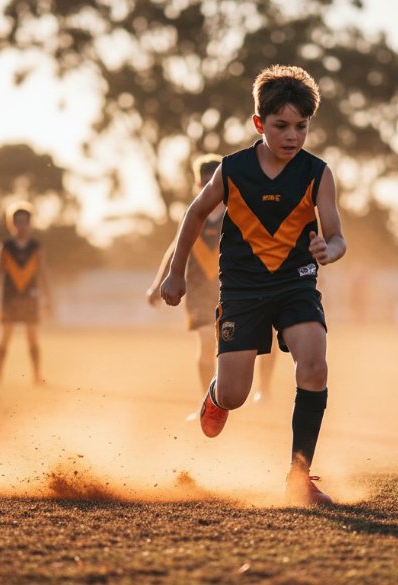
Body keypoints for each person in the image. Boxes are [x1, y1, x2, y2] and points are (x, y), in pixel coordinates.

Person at [160, 65, 346, 506]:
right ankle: (215, 395)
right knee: (235, 395)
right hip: (242, 293)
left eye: (301, 127)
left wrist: (329, 249)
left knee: (315, 365)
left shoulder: (318, 173)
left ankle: (299, 477)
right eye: (281, 126)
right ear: (259, 124)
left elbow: (337, 235)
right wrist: (175, 272)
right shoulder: (232, 170)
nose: (292, 136)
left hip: (296, 285)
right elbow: (194, 214)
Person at [147, 154, 277, 403]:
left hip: (235, 290)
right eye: (205, 181)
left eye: (214, 180)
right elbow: (175, 249)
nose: (210, 185)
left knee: (262, 338)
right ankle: (209, 402)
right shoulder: (192, 215)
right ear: (198, 186)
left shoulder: (240, 212)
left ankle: (265, 390)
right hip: (198, 291)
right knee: (208, 343)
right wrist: (157, 284)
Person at [0, 202, 52, 388]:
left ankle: (37, 377)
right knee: (5, 336)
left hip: (30, 296)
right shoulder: (5, 246)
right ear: (11, 224)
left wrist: (48, 299)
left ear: (30, 223)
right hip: (9, 296)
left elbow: (43, 273)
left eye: (24, 221)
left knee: (32, 336)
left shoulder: (36, 246)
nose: (21, 225)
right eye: (17, 221)